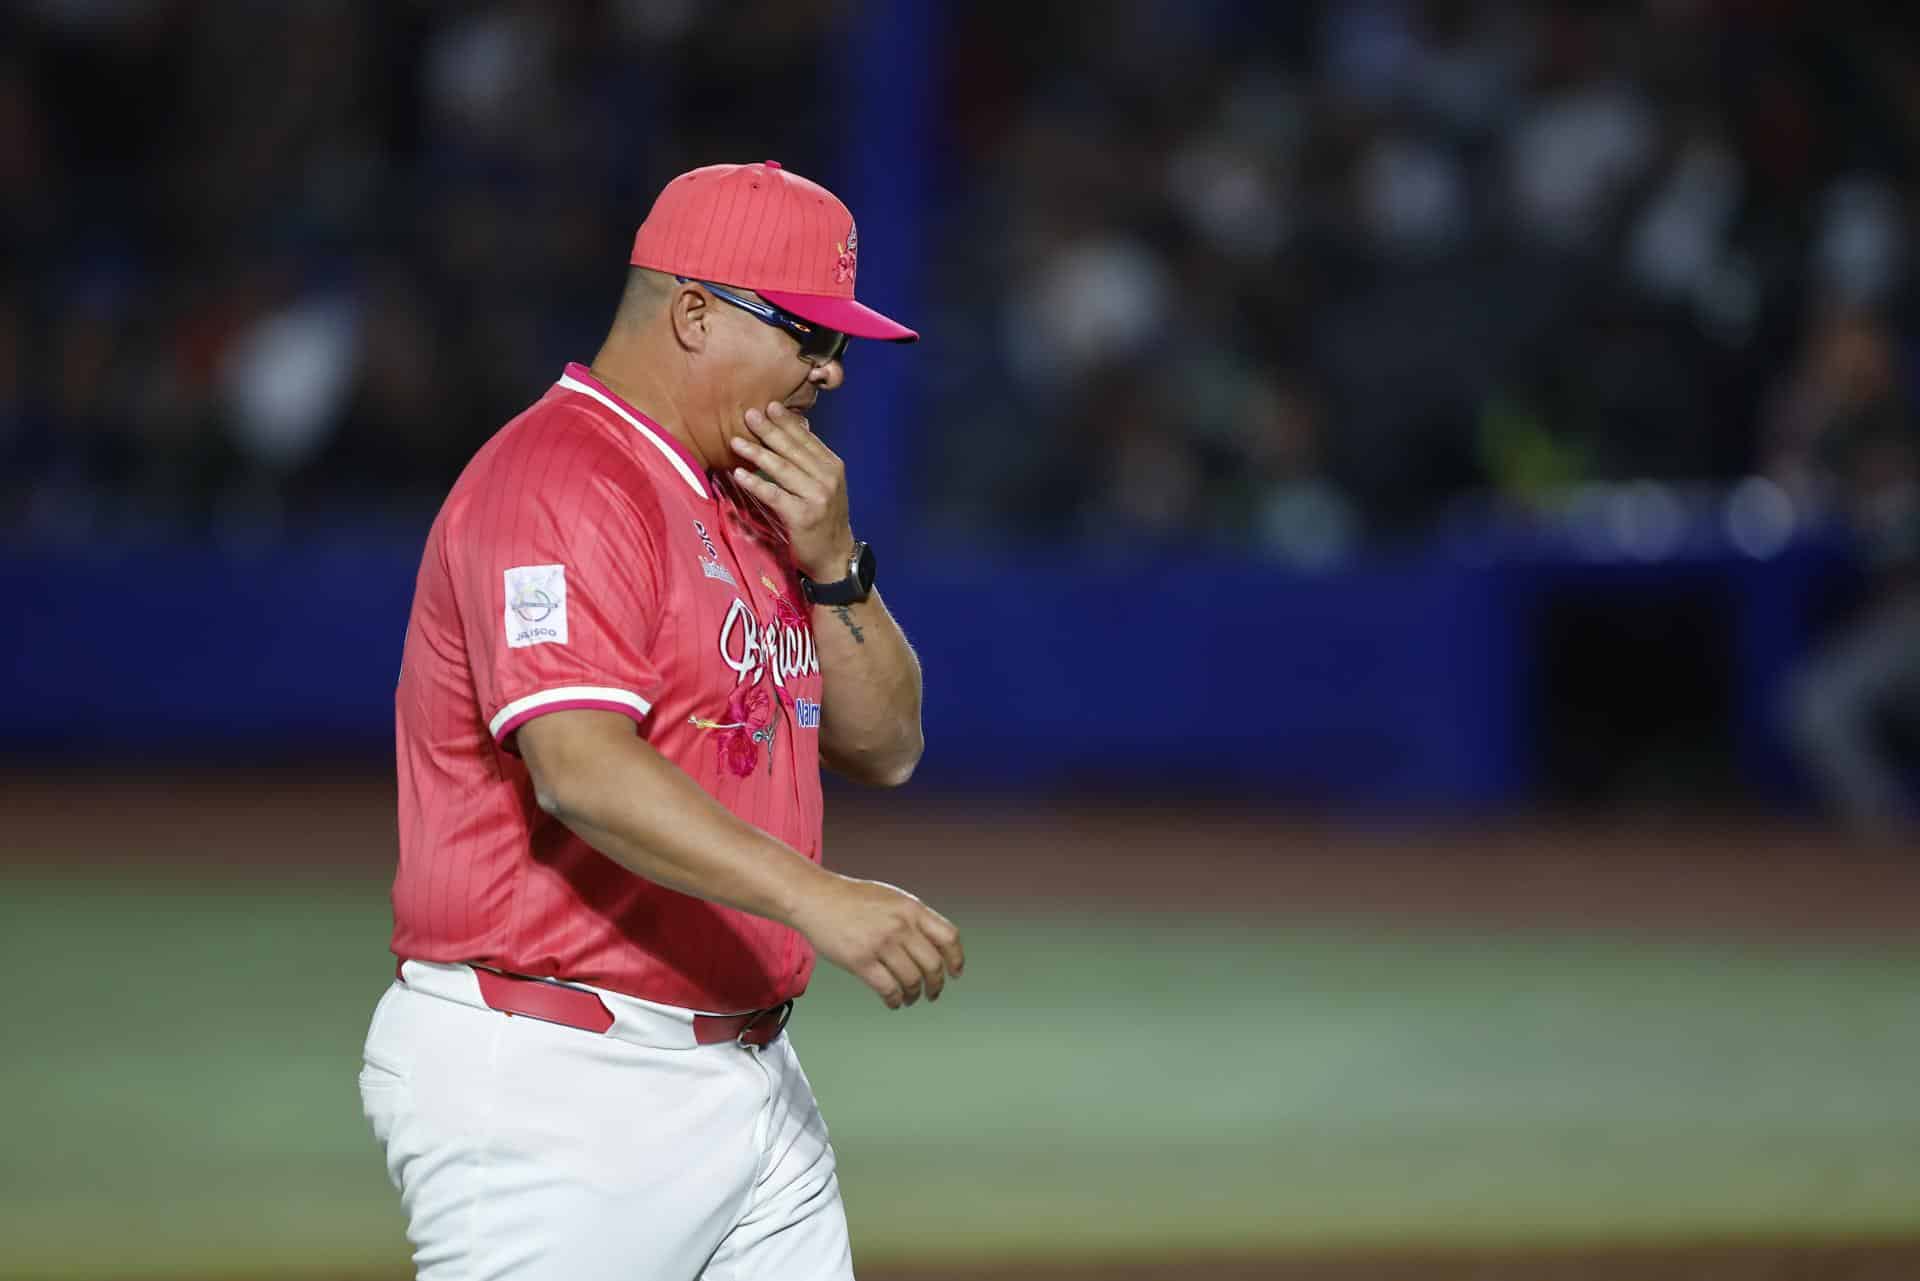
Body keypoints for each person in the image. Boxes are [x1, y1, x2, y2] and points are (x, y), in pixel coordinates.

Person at [359, 160, 965, 1281]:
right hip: (558, 1078)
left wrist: (834, 564)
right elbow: (580, 770)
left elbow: (889, 747)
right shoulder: (558, 477)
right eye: (807, 336)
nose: (830, 372)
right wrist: (818, 899)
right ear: (694, 312)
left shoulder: (749, 497)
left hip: (751, 1079)